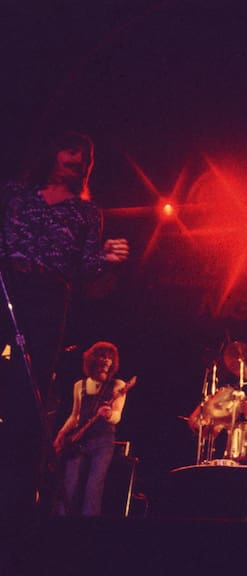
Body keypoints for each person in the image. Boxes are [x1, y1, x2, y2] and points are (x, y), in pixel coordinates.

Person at [0, 130, 129, 519]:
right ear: (53, 153)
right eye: (71, 152)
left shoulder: (86, 213)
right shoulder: (16, 194)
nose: (78, 160)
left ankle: (17, 496)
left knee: (30, 389)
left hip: (48, 299)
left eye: (85, 157)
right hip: (8, 286)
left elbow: (86, 269)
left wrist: (107, 259)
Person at [52, 341, 133, 516]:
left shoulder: (118, 385)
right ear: (93, 360)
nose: (106, 361)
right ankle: (60, 524)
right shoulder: (79, 386)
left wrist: (109, 414)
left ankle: (90, 527)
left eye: (110, 358)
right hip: (79, 441)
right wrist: (61, 434)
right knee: (69, 485)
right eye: (103, 356)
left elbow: (117, 415)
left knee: (93, 487)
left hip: (103, 442)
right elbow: (75, 416)